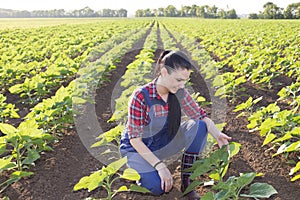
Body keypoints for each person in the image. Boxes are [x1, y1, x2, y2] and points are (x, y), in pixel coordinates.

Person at [119, 50, 231, 200]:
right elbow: (135, 140)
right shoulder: (140, 96)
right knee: (158, 187)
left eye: (185, 81)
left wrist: (218, 134)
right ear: (164, 72)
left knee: (199, 126)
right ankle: (141, 170)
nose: (182, 85)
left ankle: (186, 181)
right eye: (178, 80)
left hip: (163, 142)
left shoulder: (180, 92)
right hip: (138, 149)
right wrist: (160, 166)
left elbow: (201, 117)